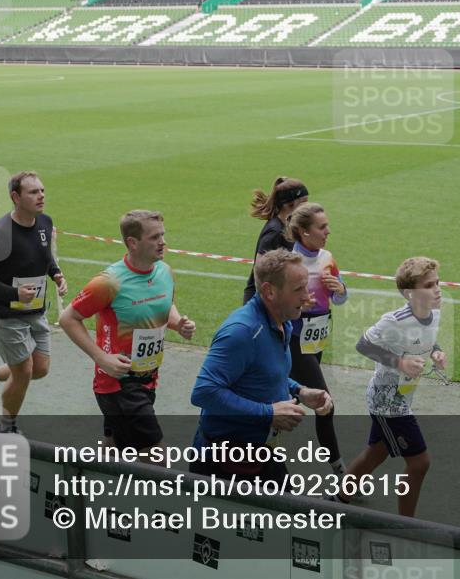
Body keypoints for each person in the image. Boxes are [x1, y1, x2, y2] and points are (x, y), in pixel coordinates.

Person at [59, 210, 196, 456]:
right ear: (132, 243)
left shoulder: (164, 271)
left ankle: (81, 490)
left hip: (148, 376)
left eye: (163, 235)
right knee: (156, 456)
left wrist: (179, 323)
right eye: (154, 237)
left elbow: (165, 307)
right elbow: (68, 318)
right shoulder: (109, 283)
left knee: (112, 449)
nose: (163, 242)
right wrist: (101, 358)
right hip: (117, 383)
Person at [191, 249, 332, 481]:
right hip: (225, 460)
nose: (306, 296)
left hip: (259, 451)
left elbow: (264, 372)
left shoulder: (282, 322)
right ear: (269, 291)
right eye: (298, 289)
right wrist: (268, 413)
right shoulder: (242, 331)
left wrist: (300, 391)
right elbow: (204, 392)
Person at [334, 257, 446, 517]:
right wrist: (400, 362)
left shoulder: (434, 311)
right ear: (409, 293)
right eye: (429, 285)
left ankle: (339, 499)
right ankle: (406, 523)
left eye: (438, 282)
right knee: (419, 463)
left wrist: (436, 353)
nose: (437, 289)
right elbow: (362, 345)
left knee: (377, 453)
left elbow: (429, 339)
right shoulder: (393, 320)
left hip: (403, 397)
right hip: (387, 401)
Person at [0, 172, 67, 433]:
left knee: (40, 369)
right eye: (33, 192)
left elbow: (44, 256)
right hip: (4, 313)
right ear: (15, 197)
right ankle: (6, 426)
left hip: (34, 310)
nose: (41, 195)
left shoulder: (45, 222)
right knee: (22, 372)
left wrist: (55, 274)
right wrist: (13, 294)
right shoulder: (0, 232)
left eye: (42, 190)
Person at [283, 202, 348, 477]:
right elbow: (275, 306)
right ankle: (341, 471)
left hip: (317, 339)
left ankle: (254, 446)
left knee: (287, 397)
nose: (328, 231)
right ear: (303, 232)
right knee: (324, 403)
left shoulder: (327, 257)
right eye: (322, 227)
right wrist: (298, 305)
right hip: (295, 341)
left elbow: (341, 297)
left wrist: (340, 288)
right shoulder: (289, 263)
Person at [243, 176, 308, 304]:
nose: (308, 207)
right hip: (262, 303)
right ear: (289, 204)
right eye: (304, 203)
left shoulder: (289, 227)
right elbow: (259, 274)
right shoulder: (275, 232)